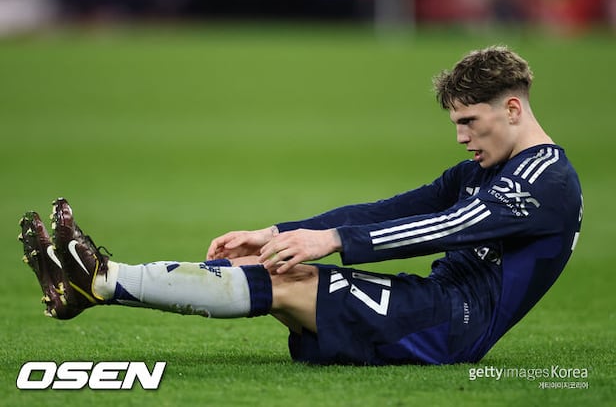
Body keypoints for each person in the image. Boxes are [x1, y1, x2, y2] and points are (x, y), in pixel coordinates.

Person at [19, 46, 583, 365]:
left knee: (286, 279)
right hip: (431, 304)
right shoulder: (486, 169)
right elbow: (394, 209)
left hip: (452, 325)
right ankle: (91, 282)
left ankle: (101, 281)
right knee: (268, 262)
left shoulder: (547, 180)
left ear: (512, 109)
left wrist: (331, 242)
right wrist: (277, 233)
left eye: (469, 121)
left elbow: (447, 226)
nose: (461, 137)